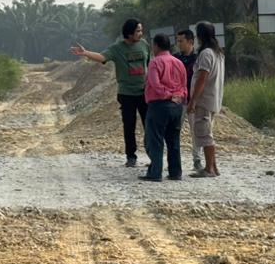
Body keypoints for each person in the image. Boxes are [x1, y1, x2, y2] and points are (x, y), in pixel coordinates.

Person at [71, 18, 150, 167]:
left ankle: (152, 154)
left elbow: (150, 65)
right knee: (129, 125)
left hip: (145, 93)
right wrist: (85, 53)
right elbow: (102, 57)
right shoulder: (117, 48)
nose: (141, 33)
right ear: (129, 33)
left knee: (149, 125)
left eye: (141, 30)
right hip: (126, 94)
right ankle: (131, 157)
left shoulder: (144, 45)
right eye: (138, 31)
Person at [142, 33, 188, 181]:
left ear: (156, 45)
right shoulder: (179, 62)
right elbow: (184, 84)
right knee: (173, 140)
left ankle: (155, 173)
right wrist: (179, 96)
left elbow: (155, 85)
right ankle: (175, 172)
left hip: (159, 105)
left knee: (155, 140)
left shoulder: (155, 63)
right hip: (177, 106)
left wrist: (168, 95)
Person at [187, 21, 225, 178]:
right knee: (207, 132)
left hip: (204, 100)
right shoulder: (218, 53)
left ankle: (209, 168)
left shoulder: (206, 54)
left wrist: (193, 101)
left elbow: (202, 78)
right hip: (213, 99)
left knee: (204, 134)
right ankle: (213, 167)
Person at [174, 28, 202, 171]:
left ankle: (197, 160)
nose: (178, 44)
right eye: (177, 41)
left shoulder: (198, 58)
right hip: (178, 100)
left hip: (193, 99)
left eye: (181, 41)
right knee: (174, 131)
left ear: (190, 41)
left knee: (196, 131)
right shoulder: (175, 58)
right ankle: (174, 160)